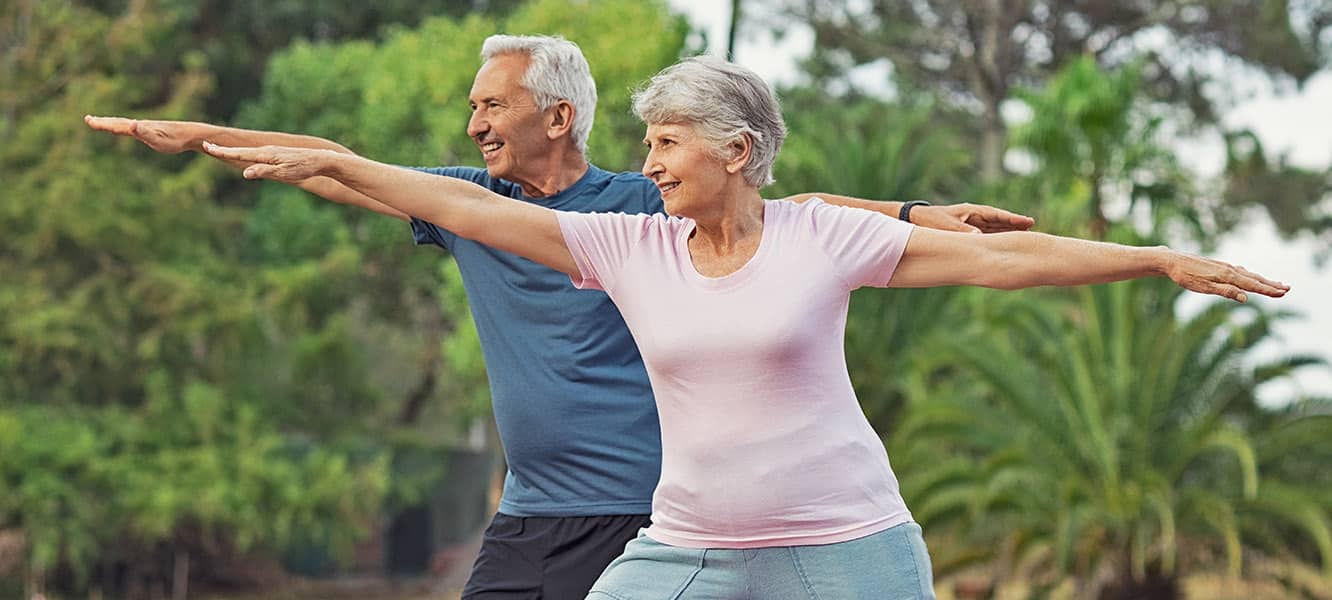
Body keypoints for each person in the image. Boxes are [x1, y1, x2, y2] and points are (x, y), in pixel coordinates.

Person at [197, 54, 1289, 598]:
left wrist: (1153, 259)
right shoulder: (629, 248)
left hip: (848, 547)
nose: (651, 164)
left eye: (669, 143)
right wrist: (334, 163)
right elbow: (467, 208)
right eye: (648, 144)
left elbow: (1005, 262)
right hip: (692, 549)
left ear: (737, 151)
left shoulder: (822, 237)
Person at [87, 36, 1037, 598]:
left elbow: (795, 212)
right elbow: (334, 160)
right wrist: (200, 139)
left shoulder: (643, 208)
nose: (474, 124)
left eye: (492, 105)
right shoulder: (469, 208)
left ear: (558, 117)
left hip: (639, 515)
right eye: (472, 107)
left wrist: (914, 213)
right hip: (530, 513)